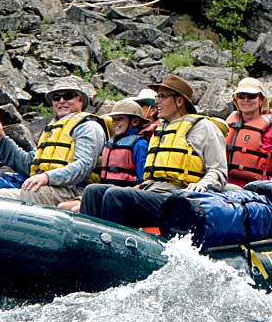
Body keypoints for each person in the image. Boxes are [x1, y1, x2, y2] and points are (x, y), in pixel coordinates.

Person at [80, 74, 228, 228]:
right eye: (157, 96)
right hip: (152, 192)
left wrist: (204, 184)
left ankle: (112, 245)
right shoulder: (163, 128)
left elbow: (218, 170)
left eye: (162, 96)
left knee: (116, 196)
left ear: (179, 101)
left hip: (180, 198)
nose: (156, 101)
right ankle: (84, 242)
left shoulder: (204, 127)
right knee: (93, 191)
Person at [0, 77, 107, 206]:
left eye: (68, 96)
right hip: (47, 188)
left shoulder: (88, 127)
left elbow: (84, 165)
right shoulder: (53, 130)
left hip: (72, 191)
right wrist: (1, 138)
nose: (61, 101)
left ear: (80, 100)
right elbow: (27, 164)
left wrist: (47, 177)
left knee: (14, 194)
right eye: (56, 98)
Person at [57, 98, 149, 212]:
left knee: (76, 209)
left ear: (134, 121)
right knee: (62, 207)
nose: (115, 123)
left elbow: (143, 182)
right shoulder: (111, 142)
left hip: (121, 197)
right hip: (104, 192)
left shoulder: (139, 145)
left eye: (120, 119)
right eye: (113, 120)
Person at [226, 77, 272, 187]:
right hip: (225, 185)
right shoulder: (228, 124)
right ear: (236, 100)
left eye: (251, 96)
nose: (246, 100)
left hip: (256, 189)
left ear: (261, 100)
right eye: (241, 96)